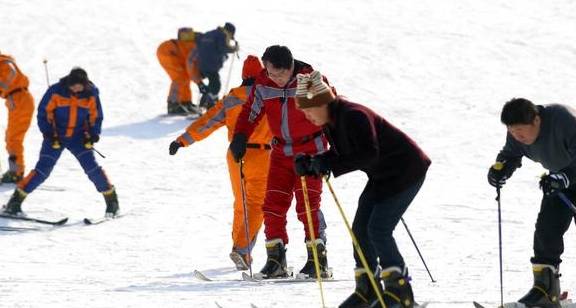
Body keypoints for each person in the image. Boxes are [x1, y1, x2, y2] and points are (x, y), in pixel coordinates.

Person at [293, 71, 431, 308]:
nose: (307, 116)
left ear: (322, 102)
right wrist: (314, 161)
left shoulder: (354, 115)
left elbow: (368, 153)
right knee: (360, 229)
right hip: (382, 175)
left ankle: (400, 292)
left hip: (406, 170)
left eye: (308, 110)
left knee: (378, 229)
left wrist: (328, 163)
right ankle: (368, 288)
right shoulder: (331, 122)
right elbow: (344, 153)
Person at [229, 45, 331, 279]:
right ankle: (276, 261)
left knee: (307, 206)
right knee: (272, 204)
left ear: (290, 67)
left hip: (310, 151)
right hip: (281, 152)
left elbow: (332, 111)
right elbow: (250, 112)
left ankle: (318, 261)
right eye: (270, 73)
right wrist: (241, 137)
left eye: (278, 74)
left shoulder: (310, 80)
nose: (273, 78)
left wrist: (337, 147)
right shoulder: (264, 82)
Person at [169, 55, 271, 270]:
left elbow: (207, 122)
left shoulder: (232, 98)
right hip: (262, 155)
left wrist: (183, 141)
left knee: (241, 203)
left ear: (243, 76)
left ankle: (241, 250)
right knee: (257, 204)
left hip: (235, 156)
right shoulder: (268, 96)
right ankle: (242, 249)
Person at [487, 98, 576, 307]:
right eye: (512, 131)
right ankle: (545, 289)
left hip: (566, 176)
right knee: (547, 230)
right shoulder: (517, 136)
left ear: (536, 120)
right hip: (560, 182)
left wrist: (564, 177)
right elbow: (510, 154)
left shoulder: (563, 120)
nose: (517, 136)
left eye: (520, 131)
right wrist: (501, 169)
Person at [2, 68, 119, 217]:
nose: (75, 89)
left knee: (92, 169)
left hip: (79, 138)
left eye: (79, 86)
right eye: (73, 86)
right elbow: (43, 113)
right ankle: (15, 201)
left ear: (85, 85)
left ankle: (112, 202)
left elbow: (96, 116)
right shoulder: (56, 91)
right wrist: (48, 132)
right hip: (55, 137)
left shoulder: (91, 94)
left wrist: (93, 134)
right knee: (42, 171)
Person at [0, 52, 35, 183]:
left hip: (19, 99)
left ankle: (16, 173)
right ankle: (15, 170)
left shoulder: (3, 62)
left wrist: (2, 87)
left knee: (14, 138)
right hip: (16, 99)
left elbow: (11, 72)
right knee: (11, 137)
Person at [157, 27, 203, 115]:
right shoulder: (195, 46)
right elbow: (191, 63)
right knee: (179, 77)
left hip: (174, 53)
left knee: (185, 76)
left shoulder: (196, 44)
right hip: (167, 51)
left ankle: (185, 102)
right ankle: (173, 104)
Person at [194, 22, 239, 110]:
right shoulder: (222, 35)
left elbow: (200, 43)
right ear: (229, 32)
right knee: (216, 85)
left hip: (201, 64)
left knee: (212, 83)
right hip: (211, 65)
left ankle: (205, 103)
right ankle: (209, 105)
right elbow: (223, 48)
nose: (229, 39)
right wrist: (234, 49)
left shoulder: (209, 33)